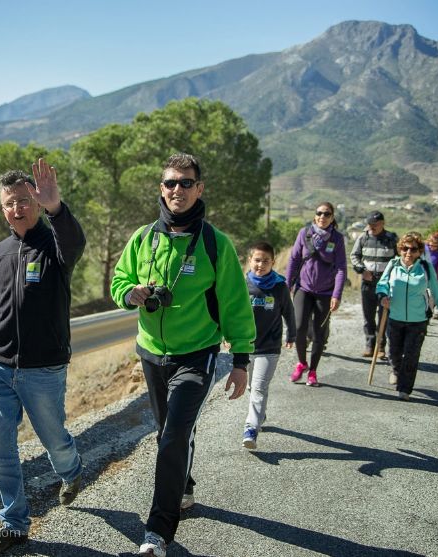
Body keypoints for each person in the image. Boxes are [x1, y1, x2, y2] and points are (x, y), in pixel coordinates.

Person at [111, 153, 255, 557]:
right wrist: (130, 293)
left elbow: (235, 305)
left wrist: (241, 360)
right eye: (171, 183)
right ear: (162, 188)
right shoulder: (143, 238)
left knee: (173, 437)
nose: (178, 190)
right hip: (152, 353)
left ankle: (157, 532)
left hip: (197, 354)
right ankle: (184, 484)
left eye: (186, 183)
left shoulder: (215, 244)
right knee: (166, 432)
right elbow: (119, 279)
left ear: (199, 189)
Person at [0, 159, 86, 555]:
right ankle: (14, 522)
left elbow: (75, 243)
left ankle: (71, 469)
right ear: (3, 209)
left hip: (43, 370)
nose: (17, 208)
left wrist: (57, 208)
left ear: (36, 201)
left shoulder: (55, 245)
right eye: (10, 202)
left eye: (25, 200)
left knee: (53, 439)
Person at [376, 233, 438, 400]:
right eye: (405, 248)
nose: (408, 252)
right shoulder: (393, 264)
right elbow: (382, 283)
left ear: (419, 251)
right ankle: (396, 371)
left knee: (411, 356)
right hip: (395, 317)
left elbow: (437, 292)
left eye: (413, 249)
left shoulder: (425, 268)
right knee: (394, 353)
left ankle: (405, 389)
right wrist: (383, 296)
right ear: (400, 249)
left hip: (418, 320)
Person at [241, 241, 295, 450]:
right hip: (245, 345)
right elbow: (232, 312)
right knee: (250, 386)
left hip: (269, 347)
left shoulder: (279, 286)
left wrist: (291, 334)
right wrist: (227, 334)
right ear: (250, 261)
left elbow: (288, 313)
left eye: (265, 261)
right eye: (257, 260)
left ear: (273, 262)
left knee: (259, 388)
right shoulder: (242, 285)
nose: (260, 265)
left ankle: (251, 429)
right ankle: (260, 414)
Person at [286, 202, 347, 387]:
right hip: (303, 289)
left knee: (320, 333)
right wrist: (286, 285)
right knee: (298, 327)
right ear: (315, 216)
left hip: (326, 292)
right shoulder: (304, 234)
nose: (322, 216)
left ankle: (312, 371)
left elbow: (341, 268)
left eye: (327, 214)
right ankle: (302, 363)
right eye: (319, 213)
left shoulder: (337, 238)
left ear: (332, 217)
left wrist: (336, 294)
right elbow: (294, 259)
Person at [350, 210, 398, 357]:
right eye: (370, 224)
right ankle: (370, 346)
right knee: (368, 317)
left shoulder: (392, 239)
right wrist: (362, 270)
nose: (372, 227)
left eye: (375, 224)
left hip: (386, 284)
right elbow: (354, 256)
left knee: (384, 316)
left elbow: (399, 259)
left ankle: (381, 347)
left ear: (382, 223)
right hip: (368, 283)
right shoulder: (363, 238)